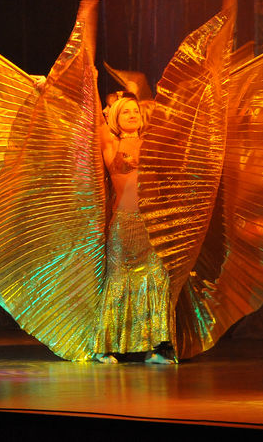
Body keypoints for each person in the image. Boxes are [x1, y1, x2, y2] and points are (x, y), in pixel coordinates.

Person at [92, 96, 176, 364]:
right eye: (125, 111)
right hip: (125, 223)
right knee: (119, 281)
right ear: (114, 118)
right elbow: (93, 113)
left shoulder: (152, 144)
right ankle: (105, 347)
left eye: (136, 110)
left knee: (157, 281)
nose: (132, 115)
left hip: (154, 223)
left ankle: (157, 347)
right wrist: (89, 77)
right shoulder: (111, 143)